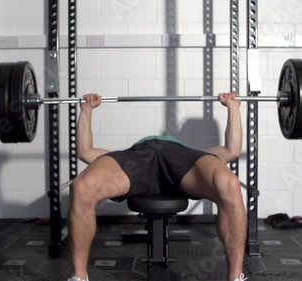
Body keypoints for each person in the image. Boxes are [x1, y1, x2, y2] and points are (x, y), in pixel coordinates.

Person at [67, 93, 247, 281]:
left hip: (180, 161)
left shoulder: (192, 153)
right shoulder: (128, 154)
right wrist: (86, 110)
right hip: (138, 159)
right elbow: (85, 152)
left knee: (229, 184)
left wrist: (233, 108)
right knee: (82, 187)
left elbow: (231, 151)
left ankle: (235, 277)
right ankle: (78, 277)